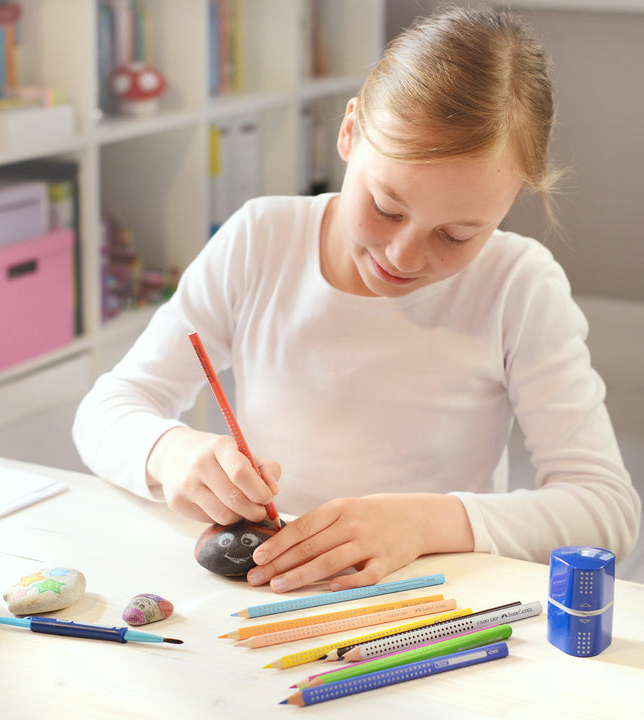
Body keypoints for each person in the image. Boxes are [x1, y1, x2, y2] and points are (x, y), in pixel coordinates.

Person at [73, 5, 640, 593]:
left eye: (456, 234)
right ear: (348, 132)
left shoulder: (518, 285)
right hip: (263, 594)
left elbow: (607, 512)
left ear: (510, 198)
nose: (402, 255)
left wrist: (427, 521)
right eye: (386, 208)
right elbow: (108, 408)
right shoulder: (259, 240)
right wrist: (168, 453)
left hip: (425, 609)